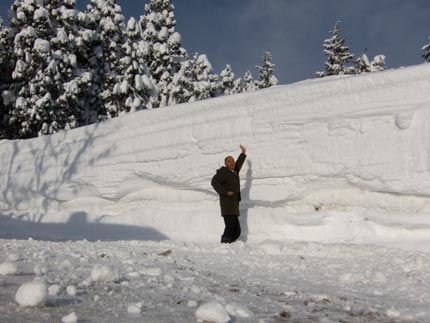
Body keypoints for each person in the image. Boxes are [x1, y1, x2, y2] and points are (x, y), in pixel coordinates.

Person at [211, 145, 247, 243]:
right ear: (225, 164)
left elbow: (238, 164)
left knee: (237, 231)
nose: (231, 162)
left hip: (234, 205)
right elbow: (214, 182)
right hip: (227, 204)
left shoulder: (234, 171)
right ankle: (224, 245)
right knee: (230, 227)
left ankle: (229, 245)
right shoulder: (224, 172)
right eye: (229, 161)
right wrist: (225, 192)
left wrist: (243, 154)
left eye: (232, 161)